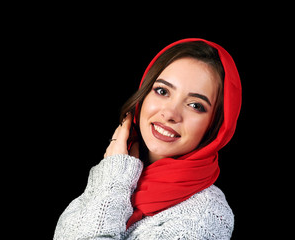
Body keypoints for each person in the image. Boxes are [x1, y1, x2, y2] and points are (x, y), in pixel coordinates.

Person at [54, 38, 242, 239]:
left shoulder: (207, 218)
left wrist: (113, 178)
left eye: (195, 105)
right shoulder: (123, 172)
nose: (170, 113)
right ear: (144, 96)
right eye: (162, 91)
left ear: (216, 127)